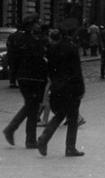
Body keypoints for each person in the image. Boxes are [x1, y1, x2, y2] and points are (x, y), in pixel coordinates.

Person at [37, 29, 86, 157]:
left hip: (58, 87)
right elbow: (77, 71)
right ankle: (70, 147)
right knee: (73, 118)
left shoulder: (52, 50)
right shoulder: (72, 49)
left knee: (60, 114)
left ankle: (44, 138)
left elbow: (49, 70)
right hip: (71, 88)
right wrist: (80, 89)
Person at [3, 13, 48, 149]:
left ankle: (23, 135)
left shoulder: (19, 38)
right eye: (38, 23)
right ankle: (20, 134)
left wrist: (14, 74)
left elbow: (12, 58)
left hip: (26, 77)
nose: (40, 25)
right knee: (32, 106)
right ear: (31, 24)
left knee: (31, 106)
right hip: (33, 77)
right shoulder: (33, 39)